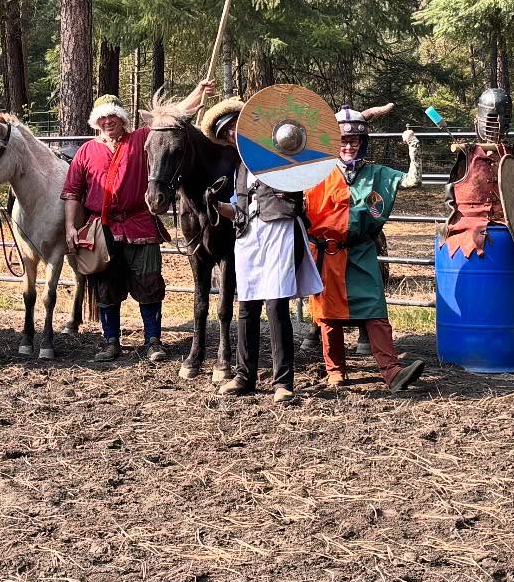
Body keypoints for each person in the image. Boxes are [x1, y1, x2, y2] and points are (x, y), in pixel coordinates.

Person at [62, 80, 215, 362]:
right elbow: (73, 192)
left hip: (140, 223)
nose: (109, 122)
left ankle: (153, 340)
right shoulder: (86, 152)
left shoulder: (143, 138)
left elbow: (173, 116)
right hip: (102, 228)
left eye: (113, 116)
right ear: (96, 122)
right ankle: (110, 341)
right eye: (103, 118)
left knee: (149, 284)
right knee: (106, 287)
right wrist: (71, 226)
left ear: (122, 118)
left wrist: (199, 91)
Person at [204, 99, 322, 403]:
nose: (232, 134)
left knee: (276, 304)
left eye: (234, 126)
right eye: (226, 133)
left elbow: (304, 174)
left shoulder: (281, 149)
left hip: (279, 228)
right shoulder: (240, 168)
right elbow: (239, 209)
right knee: (247, 305)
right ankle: (244, 376)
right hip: (248, 235)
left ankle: (283, 381)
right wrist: (215, 205)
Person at [306, 104, 424, 392]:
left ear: (363, 142)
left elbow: (412, 181)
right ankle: (336, 371)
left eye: (354, 141)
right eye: (343, 141)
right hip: (327, 253)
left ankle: (392, 372)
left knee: (375, 311)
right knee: (328, 315)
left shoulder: (376, 174)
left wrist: (414, 147)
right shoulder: (315, 173)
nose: (348, 146)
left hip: (362, 251)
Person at [442, 87, 514, 256]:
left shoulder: (510, 153)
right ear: (481, 120)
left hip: (510, 232)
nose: (497, 125)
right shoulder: (468, 153)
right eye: (492, 119)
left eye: (503, 120)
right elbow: (450, 197)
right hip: (467, 234)